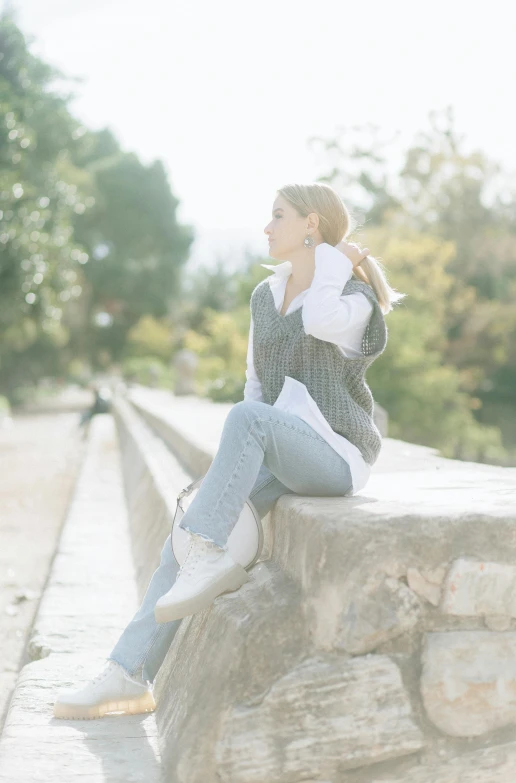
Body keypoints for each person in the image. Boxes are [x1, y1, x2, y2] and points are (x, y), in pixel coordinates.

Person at [53, 182, 406, 720]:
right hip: (279, 450)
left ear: (312, 225)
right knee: (187, 534)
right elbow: (256, 388)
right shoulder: (265, 298)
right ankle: (126, 674)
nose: (267, 228)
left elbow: (315, 323)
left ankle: (211, 558)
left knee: (216, 505)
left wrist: (340, 262)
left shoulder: (351, 301)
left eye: (279, 216)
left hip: (335, 458)